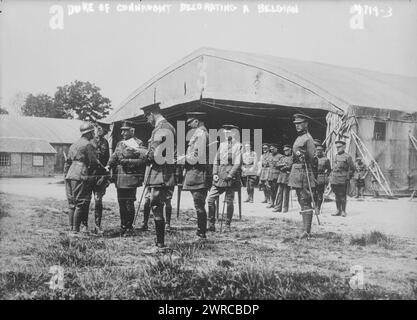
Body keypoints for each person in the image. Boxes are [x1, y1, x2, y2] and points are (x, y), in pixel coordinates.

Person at [142, 103, 176, 249]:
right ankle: (159, 242)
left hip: (159, 173)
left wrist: (142, 153)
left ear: (151, 114)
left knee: (156, 206)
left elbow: (154, 154)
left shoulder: (161, 128)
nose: (147, 120)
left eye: (147, 117)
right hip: (165, 172)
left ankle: (160, 245)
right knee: (157, 205)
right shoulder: (169, 126)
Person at [107, 121, 147, 237]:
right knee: (121, 202)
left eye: (125, 130)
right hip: (120, 178)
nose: (122, 132)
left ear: (132, 131)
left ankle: (129, 227)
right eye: (122, 130)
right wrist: (108, 165)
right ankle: (123, 225)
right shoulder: (120, 143)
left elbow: (143, 160)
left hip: (131, 177)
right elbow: (114, 156)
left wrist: (128, 161)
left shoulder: (138, 143)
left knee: (129, 203)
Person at [64, 122, 99, 235]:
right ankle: (75, 230)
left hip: (70, 174)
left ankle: (71, 228)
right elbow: (93, 162)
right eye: (92, 132)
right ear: (89, 133)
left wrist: (65, 175)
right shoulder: (87, 145)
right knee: (81, 203)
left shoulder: (74, 144)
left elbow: (68, 161)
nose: (94, 133)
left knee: (72, 203)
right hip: (80, 174)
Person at [182, 112, 212, 239]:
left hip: (199, 174)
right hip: (196, 173)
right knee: (198, 204)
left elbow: (198, 156)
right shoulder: (199, 133)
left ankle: (201, 233)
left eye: (190, 122)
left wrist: (183, 159)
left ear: (197, 121)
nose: (188, 124)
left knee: (199, 205)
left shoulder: (201, 134)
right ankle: (201, 231)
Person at [207, 124, 242, 232]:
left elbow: (237, 163)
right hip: (219, 176)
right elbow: (216, 160)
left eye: (229, 133)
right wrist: (214, 173)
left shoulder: (238, 146)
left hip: (231, 178)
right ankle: (211, 224)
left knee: (229, 201)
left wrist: (230, 175)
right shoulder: (222, 145)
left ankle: (227, 224)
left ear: (234, 133)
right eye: (225, 133)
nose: (226, 134)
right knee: (210, 200)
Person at [288, 114, 316, 239]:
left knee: (305, 199)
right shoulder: (299, 138)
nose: (297, 126)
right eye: (295, 124)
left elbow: (311, 158)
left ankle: (307, 231)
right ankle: (305, 228)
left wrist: (305, 160)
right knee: (300, 199)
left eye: (300, 123)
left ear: (306, 124)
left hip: (304, 172)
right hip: (296, 171)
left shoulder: (308, 139)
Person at [91, 123, 110, 234]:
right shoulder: (89, 141)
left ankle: (97, 225)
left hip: (100, 176)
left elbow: (106, 161)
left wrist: (105, 177)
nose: (98, 130)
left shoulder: (105, 143)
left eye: (100, 128)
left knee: (98, 201)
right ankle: (84, 225)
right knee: (85, 201)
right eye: (96, 128)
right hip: (89, 175)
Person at [329, 140, 355, 217]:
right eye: (337, 147)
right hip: (335, 178)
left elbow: (353, 168)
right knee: (337, 195)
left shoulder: (347, 156)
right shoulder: (336, 156)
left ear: (344, 147)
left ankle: (343, 211)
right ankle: (338, 210)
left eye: (339, 147)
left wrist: (348, 177)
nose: (338, 148)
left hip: (343, 179)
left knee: (343, 195)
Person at [273, 144, 293, 213]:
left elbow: (289, 166)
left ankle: (285, 208)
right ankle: (278, 207)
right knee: (279, 193)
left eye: (287, 150)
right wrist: (282, 165)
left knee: (286, 193)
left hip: (287, 177)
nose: (286, 151)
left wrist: (282, 166)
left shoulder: (292, 158)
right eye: (284, 150)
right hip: (281, 177)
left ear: (290, 150)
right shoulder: (282, 157)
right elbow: (276, 165)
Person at [313, 143, 331, 214]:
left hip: (321, 177)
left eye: (320, 150)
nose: (319, 152)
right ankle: (314, 206)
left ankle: (318, 208)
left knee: (320, 193)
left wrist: (326, 176)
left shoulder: (326, 159)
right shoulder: (313, 158)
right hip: (313, 177)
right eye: (317, 150)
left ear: (323, 151)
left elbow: (329, 169)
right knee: (313, 193)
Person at [266, 143, 283, 209]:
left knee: (277, 191)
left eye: (273, 149)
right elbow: (268, 166)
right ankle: (272, 203)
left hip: (276, 176)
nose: (271, 150)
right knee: (271, 190)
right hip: (270, 175)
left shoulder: (280, 156)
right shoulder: (269, 156)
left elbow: (281, 165)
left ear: (276, 149)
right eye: (270, 149)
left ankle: (277, 204)